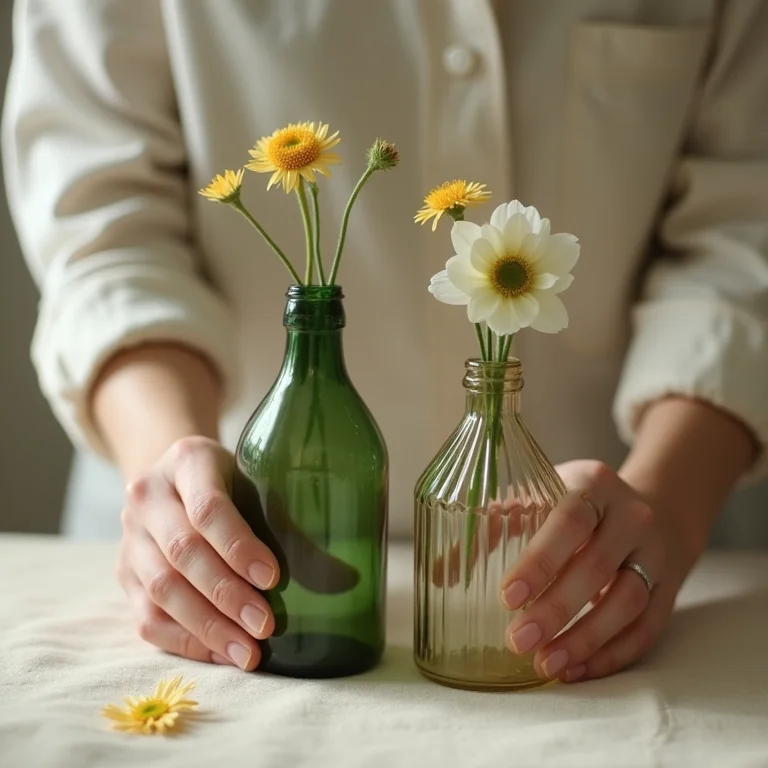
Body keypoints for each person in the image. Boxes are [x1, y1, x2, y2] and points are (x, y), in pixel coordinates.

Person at [3, 0, 767, 684]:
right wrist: (171, 471)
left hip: (608, 563)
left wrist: (669, 503)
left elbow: (745, 227)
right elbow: (104, 223)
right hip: (216, 563)